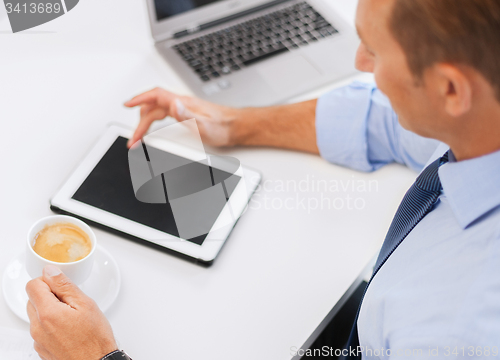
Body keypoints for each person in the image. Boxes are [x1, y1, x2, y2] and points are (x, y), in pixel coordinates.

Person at [26, 0, 500, 358]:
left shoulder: (454, 331)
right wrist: (233, 124)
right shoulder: (480, 120)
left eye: (374, 50)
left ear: (451, 89)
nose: (359, 63)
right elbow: (381, 119)